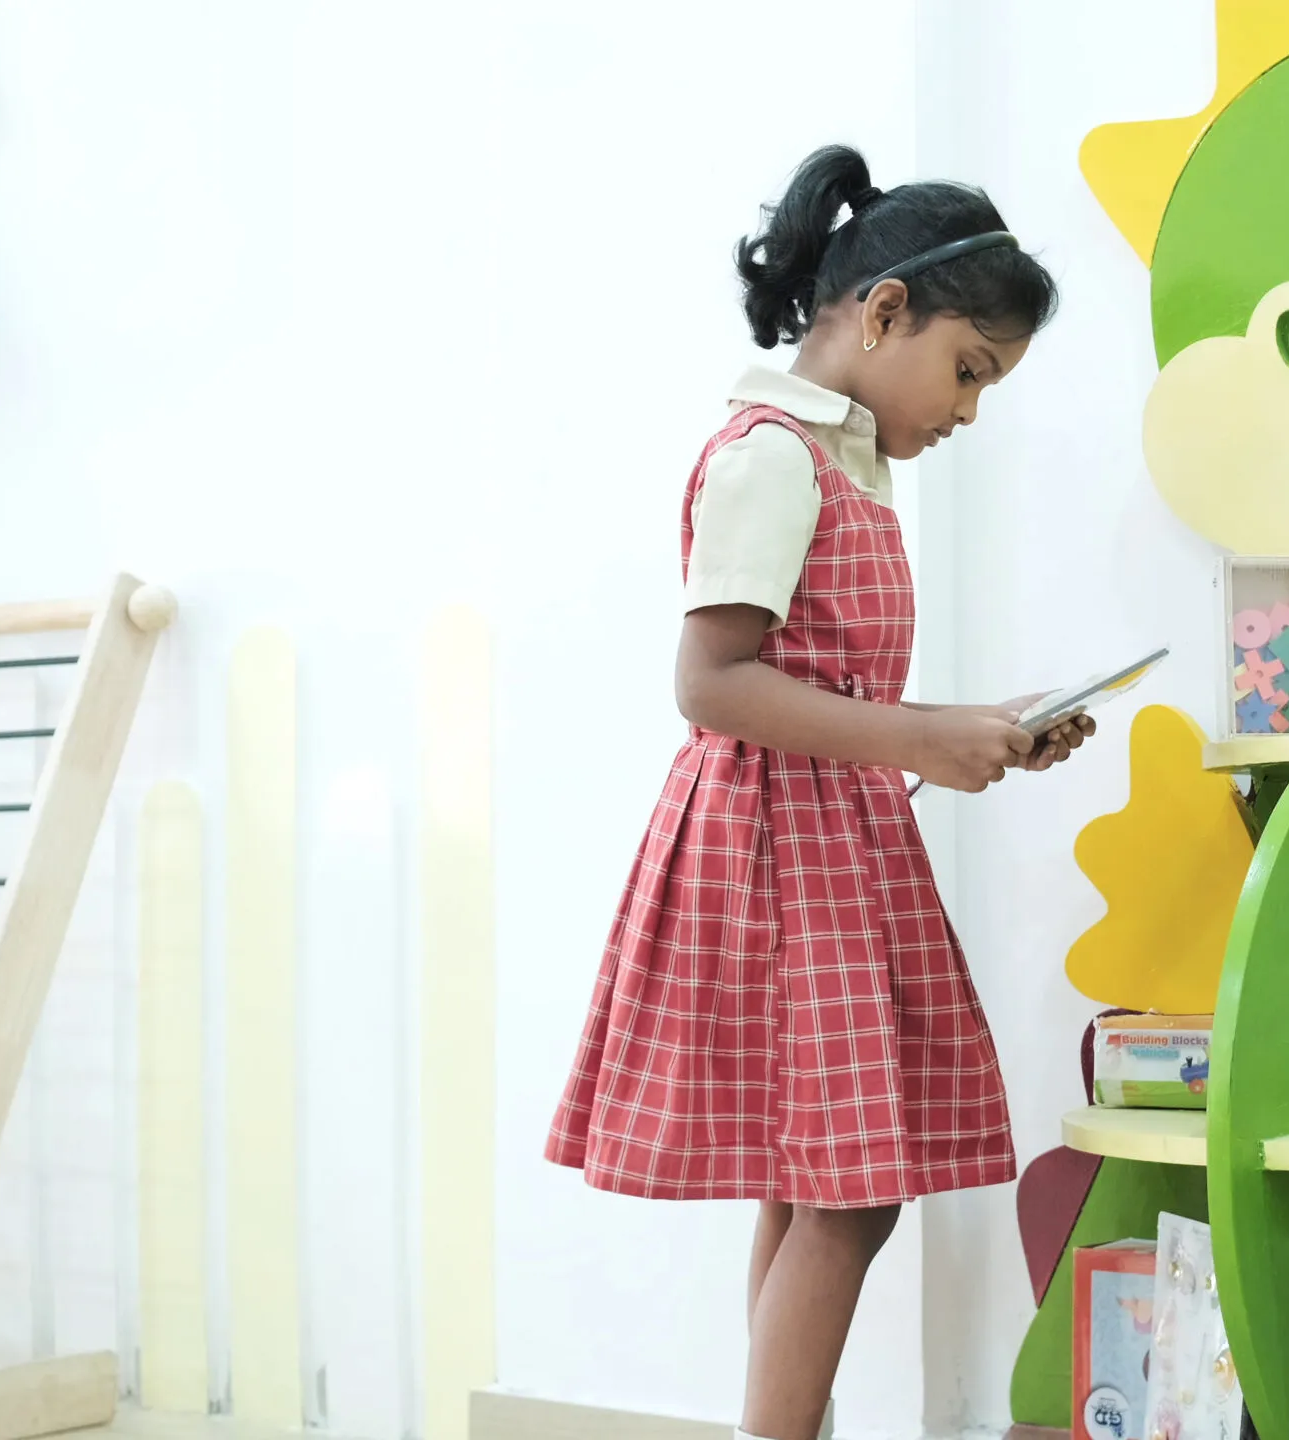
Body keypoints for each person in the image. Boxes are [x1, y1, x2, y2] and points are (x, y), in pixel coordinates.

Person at [546, 144, 1084, 1440]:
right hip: (772, 851)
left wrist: (972, 730)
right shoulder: (771, 459)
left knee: (815, 1179)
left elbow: (817, 682)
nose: (968, 411)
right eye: (969, 369)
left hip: (824, 839)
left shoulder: (842, 463)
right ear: (885, 311)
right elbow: (711, 683)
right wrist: (920, 736)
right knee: (847, 1190)